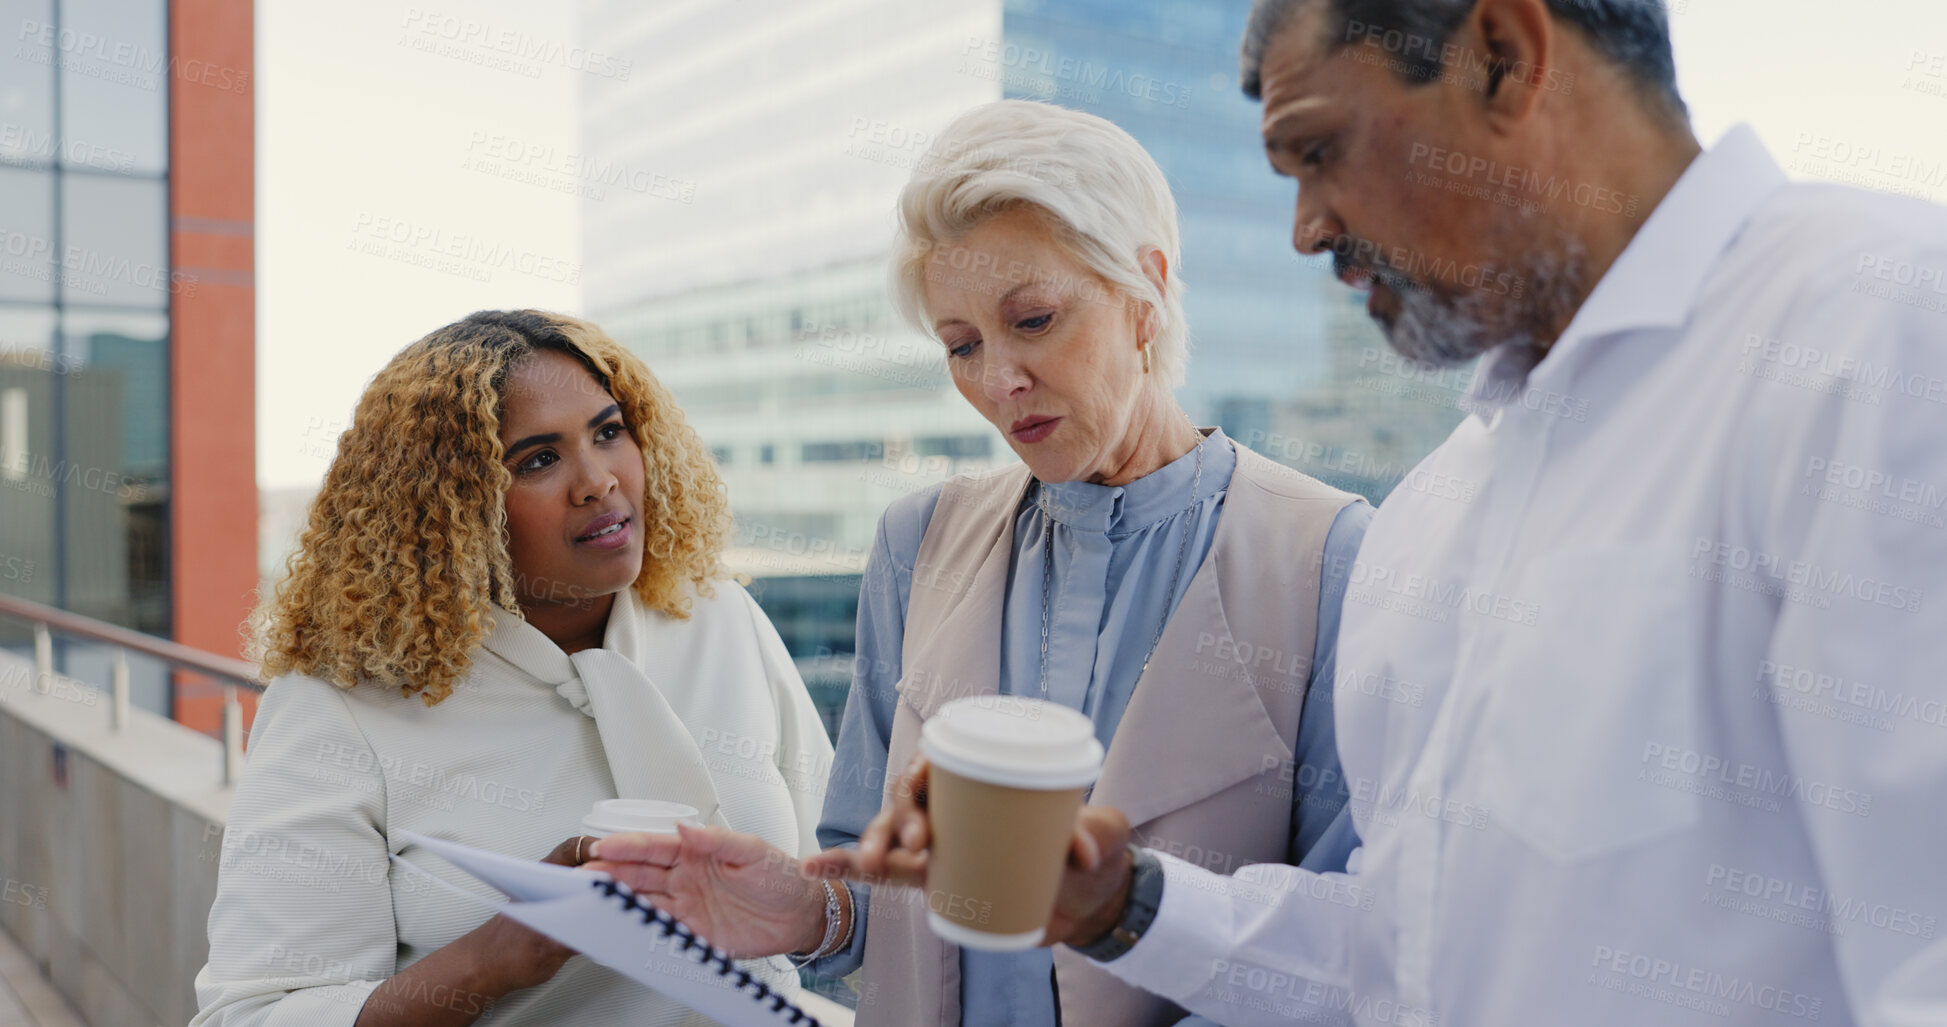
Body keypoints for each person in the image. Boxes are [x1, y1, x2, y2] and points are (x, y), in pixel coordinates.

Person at [831, 1, 1947, 1025]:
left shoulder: (1884, 336)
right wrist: (1123, 901)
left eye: (1319, 151)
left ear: (1504, 58)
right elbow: (1399, 952)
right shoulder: (1436, 517)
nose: (1305, 231)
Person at [586, 100, 1373, 1027]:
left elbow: (1353, 955)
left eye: (1032, 320)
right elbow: (881, 880)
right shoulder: (916, 541)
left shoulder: (1330, 555)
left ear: (1145, 292)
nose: (997, 381)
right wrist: (809, 907)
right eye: (960, 345)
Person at [192, 310, 833, 1026]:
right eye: (537, 459)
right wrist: (493, 957)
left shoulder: (717, 617)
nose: (597, 482)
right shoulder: (339, 703)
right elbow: (249, 1016)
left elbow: (837, 881)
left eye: (609, 431)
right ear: (448, 511)